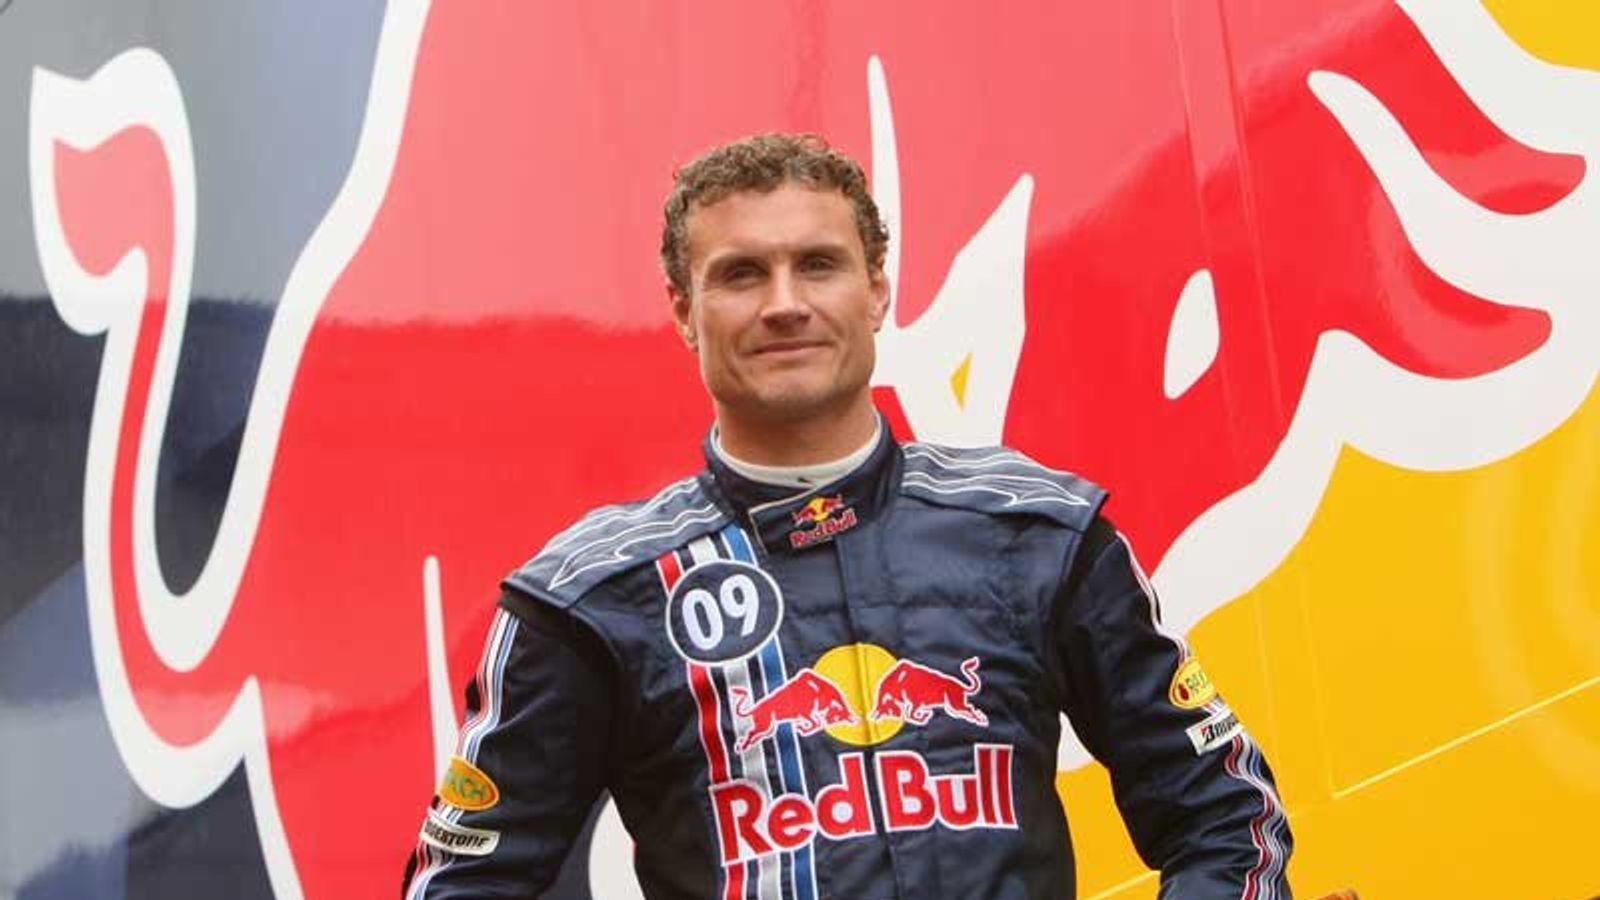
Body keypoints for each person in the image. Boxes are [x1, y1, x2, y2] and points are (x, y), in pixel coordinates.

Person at [402, 133, 1292, 899]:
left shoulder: (1037, 535)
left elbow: (1228, 820)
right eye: (741, 274)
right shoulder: (593, 598)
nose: (784, 302)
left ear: (876, 290)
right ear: (683, 310)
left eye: (818, 265)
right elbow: (462, 884)